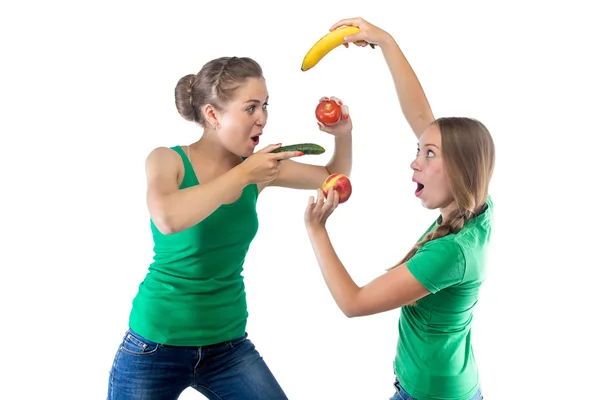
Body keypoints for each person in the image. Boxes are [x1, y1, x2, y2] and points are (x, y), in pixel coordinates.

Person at [107, 56, 353, 400]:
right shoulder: (167, 160)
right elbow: (168, 218)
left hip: (227, 347)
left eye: (265, 106)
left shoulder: (259, 169)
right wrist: (244, 174)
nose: (263, 118)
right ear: (212, 114)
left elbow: (332, 178)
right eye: (251, 108)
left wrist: (344, 136)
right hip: (154, 345)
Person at [303, 18, 495, 400]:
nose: (414, 163)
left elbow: (353, 303)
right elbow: (424, 120)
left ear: (459, 167)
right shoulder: (478, 207)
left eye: (428, 155)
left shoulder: (449, 254)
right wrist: (385, 42)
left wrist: (317, 230)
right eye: (419, 151)